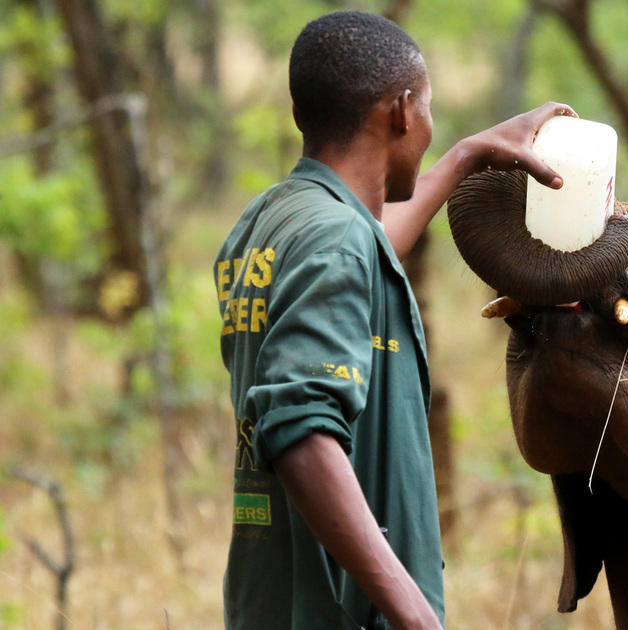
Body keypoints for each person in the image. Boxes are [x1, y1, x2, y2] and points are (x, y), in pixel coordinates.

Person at [214, 11, 574, 629]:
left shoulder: (273, 221)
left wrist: (469, 156)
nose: (430, 127)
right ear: (402, 111)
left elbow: (366, 249)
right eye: (429, 109)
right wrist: (415, 615)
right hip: (342, 615)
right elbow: (301, 433)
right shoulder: (335, 242)